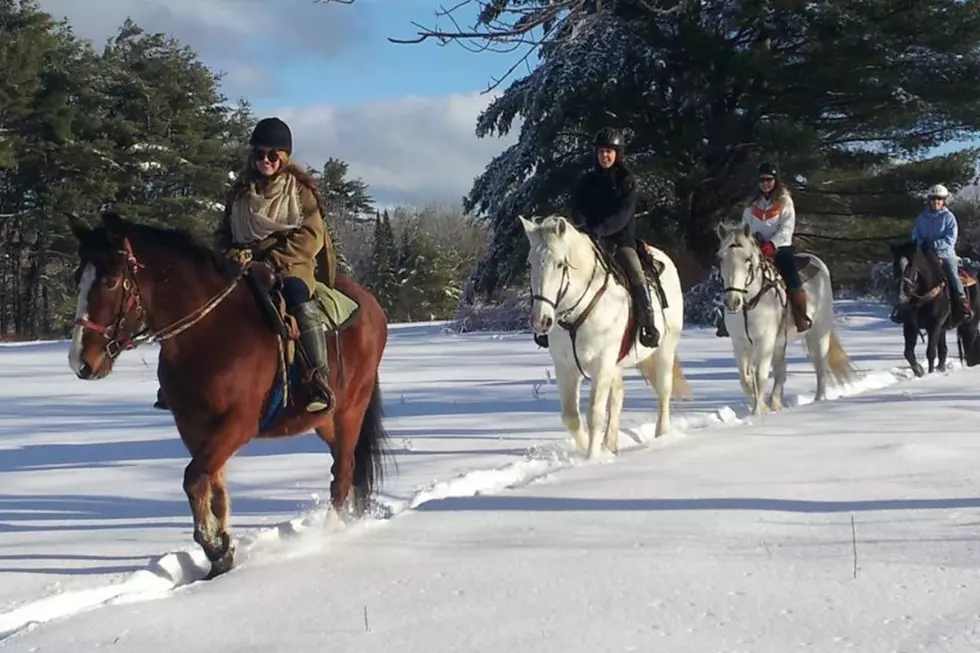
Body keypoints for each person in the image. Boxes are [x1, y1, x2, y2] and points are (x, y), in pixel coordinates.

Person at [154, 117, 335, 413]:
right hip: (242, 266)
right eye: (260, 153)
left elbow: (311, 236)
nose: (265, 160)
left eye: (272, 155)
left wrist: (272, 261)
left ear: (284, 157)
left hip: (289, 265)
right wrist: (230, 253)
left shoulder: (301, 191)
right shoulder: (240, 191)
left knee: (300, 302)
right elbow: (223, 232)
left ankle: (318, 378)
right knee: (202, 302)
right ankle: (178, 381)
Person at [553, 126, 658, 349]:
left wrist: (598, 229)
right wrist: (581, 225)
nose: (605, 156)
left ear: (618, 154)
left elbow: (623, 215)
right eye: (601, 152)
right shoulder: (587, 181)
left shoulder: (627, 181)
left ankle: (648, 320)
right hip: (589, 238)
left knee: (634, 270)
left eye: (609, 151)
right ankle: (549, 322)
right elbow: (577, 207)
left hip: (620, 240)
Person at [719, 161, 811, 334]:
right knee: (735, 272)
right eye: (762, 180)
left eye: (769, 179)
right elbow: (745, 226)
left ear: (776, 180)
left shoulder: (785, 200)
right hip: (755, 247)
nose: (765, 183)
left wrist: (772, 244)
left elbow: (787, 228)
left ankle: (800, 317)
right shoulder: (752, 203)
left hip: (780, 248)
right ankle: (728, 319)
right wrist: (751, 242)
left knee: (792, 279)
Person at [911, 183, 972, 323]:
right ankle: (903, 306)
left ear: (944, 201)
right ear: (929, 201)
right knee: (908, 273)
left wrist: (935, 244)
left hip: (945, 255)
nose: (936, 202)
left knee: (952, 275)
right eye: (933, 199)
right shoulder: (922, 217)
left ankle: (963, 303)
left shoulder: (949, 217)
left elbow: (951, 238)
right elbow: (915, 234)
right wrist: (920, 243)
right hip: (925, 255)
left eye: (939, 199)